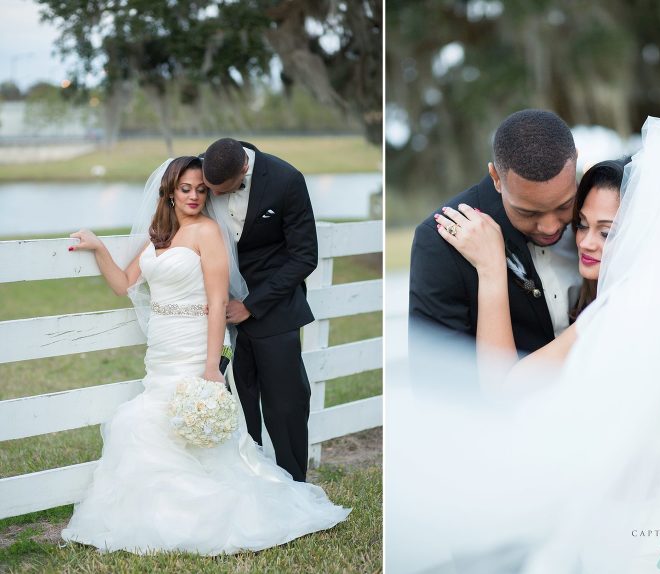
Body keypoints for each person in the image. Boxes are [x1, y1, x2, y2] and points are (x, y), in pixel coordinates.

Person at [387, 118, 660, 572]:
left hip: (632, 508)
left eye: (570, 212)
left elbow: (508, 385)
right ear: (496, 178)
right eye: (581, 224)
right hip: (513, 496)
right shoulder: (444, 241)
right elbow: (442, 391)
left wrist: (492, 272)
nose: (559, 228)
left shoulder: (622, 307)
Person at [61, 156, 349, 555]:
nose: (194, 196)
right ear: (170, 192)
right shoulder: (158, 234)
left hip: (195, 346)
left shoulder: (208, 232)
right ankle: (154, 509)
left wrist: (212, 366)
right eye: (186, 189)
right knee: (148, 419)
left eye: (200, 189)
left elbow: (217, 304)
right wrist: (98, 248)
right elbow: (124, 283)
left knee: (184, 425)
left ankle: (207, 508)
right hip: (161, 347)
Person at [409, 109, 583, 362]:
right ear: (496, 178)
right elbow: (437, 372)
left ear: (575, 161)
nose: (550, 227)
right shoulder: (440, 243)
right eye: (528, 212)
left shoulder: (599, 213)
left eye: (564, 205)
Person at [201, 138, 316, 483]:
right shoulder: (202, 171)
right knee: (236, 404)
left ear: (244, 169)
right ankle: (249, 482)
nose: (212, 196)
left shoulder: (286, 180)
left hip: (274, 311)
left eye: (221, 190)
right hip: (217, 316)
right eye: (210, 189)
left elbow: (304, 256)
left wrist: (251, 305)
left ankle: (294, 484)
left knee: (286, 406)